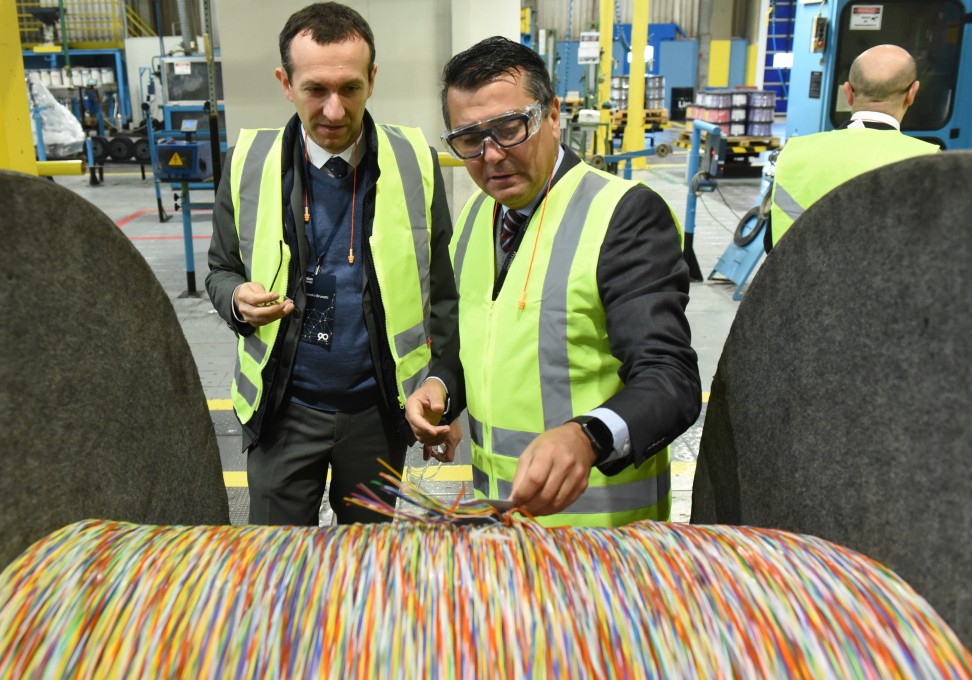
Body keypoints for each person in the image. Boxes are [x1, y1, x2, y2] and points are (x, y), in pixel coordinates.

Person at [405, 37, 701, 528]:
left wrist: (589, 437)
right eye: (470, 139)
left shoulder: (621, 215)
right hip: (502, 523)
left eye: (509, 129)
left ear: (553, 115)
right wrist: (441, 388)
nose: (491, 155)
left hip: (600, 537)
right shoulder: (477, 215)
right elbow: (480, 345)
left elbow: (670, 379)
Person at [206, 2, 462, 526]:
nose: (335, 110)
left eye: (350, 88)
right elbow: (220, 269)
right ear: (285, 83)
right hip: (282, 414)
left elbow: (443, 294)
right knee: (277, 560)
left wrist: (444, 386)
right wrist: (236, 299)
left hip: (378, 414)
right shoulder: (248, 163)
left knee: (365, 562)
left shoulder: (414, 161)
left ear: (373, 79)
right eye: (315, 90)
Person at [770, 44, 940, 246]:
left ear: (848, 92)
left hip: (796, 266)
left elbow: (772, 241)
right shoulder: (928, 160)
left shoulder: (794, 153)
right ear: (912, 93)